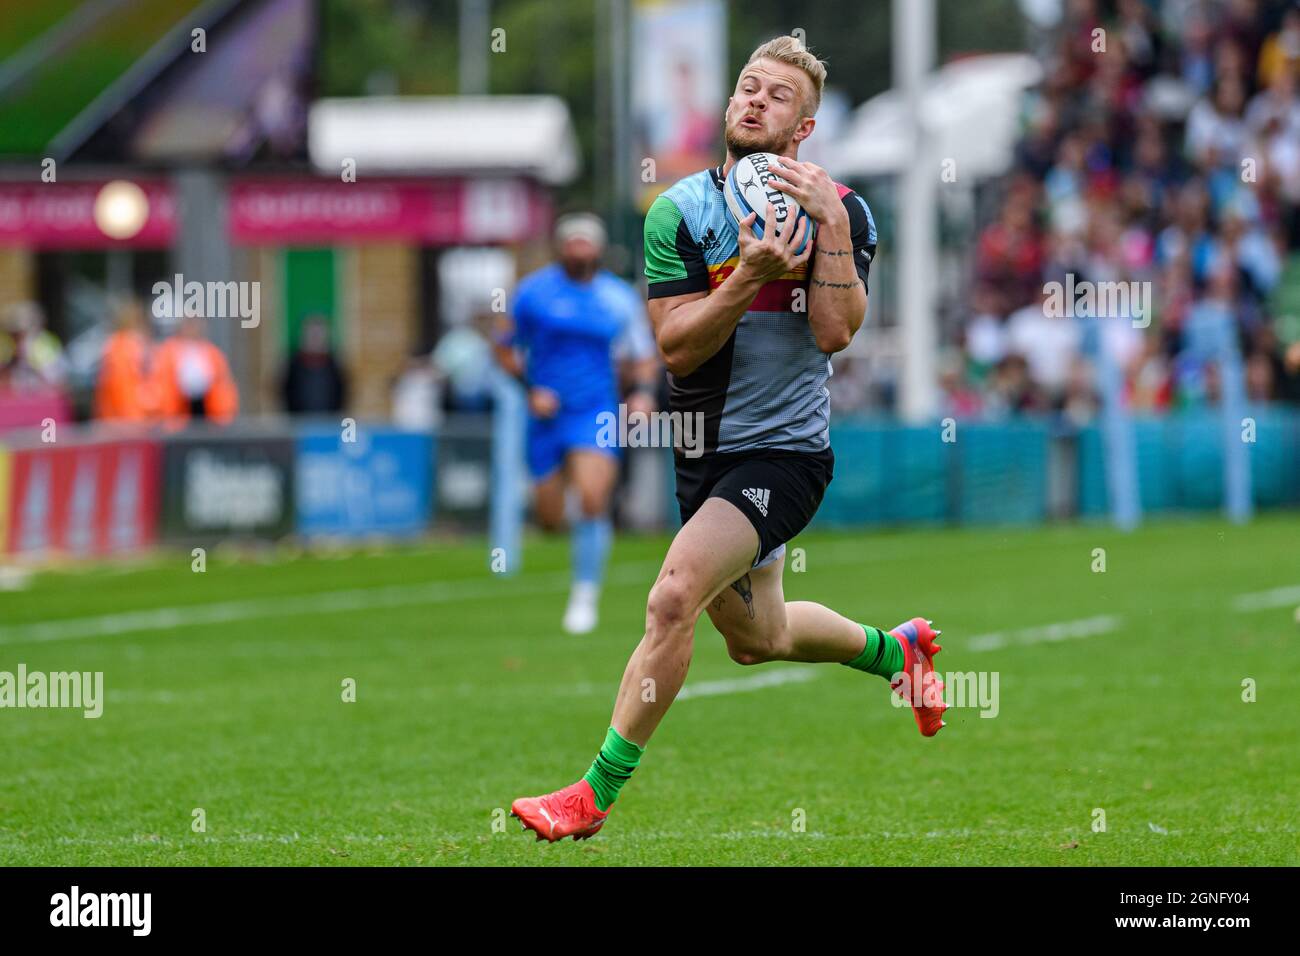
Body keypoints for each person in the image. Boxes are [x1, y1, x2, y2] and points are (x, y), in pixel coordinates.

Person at [510, 37, 946, 842]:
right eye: (747, 87)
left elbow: (835, 332)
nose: (753, 101)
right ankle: (899, 652)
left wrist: (825, 231)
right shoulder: (678, 212)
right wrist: (746, 273)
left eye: (777, 96)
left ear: (803, 128)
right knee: (757, 639)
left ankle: (591, 796)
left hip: (784, 457)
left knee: (672, 596)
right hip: (702, 453)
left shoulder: (843, 209)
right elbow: (676, 348)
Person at [494, 213, 659, 635]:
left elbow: (641, 354)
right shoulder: (533, 293)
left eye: (587, 243)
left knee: (592, 498)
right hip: (546, 413)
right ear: (561, 247)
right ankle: (566, 514)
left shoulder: (618, 298)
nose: (580, 250)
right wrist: (530, 388)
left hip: (596, 409)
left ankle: (585, 594)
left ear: (599, 249)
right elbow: (505, 349)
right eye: (573, 243)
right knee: (550, 517)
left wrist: (641, 393)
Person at [151, 312, 239, 425]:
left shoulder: (212, 353)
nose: (193, 327)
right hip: (176, 418)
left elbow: (223, 386)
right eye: (190, 323)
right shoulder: (167, 352)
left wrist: (224, 415)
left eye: (196, 323)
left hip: (209, 417)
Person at [95, 299, 157, 422]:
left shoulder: (117, 345)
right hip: (129, 419)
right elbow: (124, 389)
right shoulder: (122, 347)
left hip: (128, 416)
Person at [282, 315, 347, 415]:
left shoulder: (334, 364)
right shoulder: (294, 364)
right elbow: (285, 390)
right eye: (312, 334)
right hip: (299, 421)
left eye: (319, 334)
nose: (315, 337)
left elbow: (342, 390)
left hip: (328, 420)